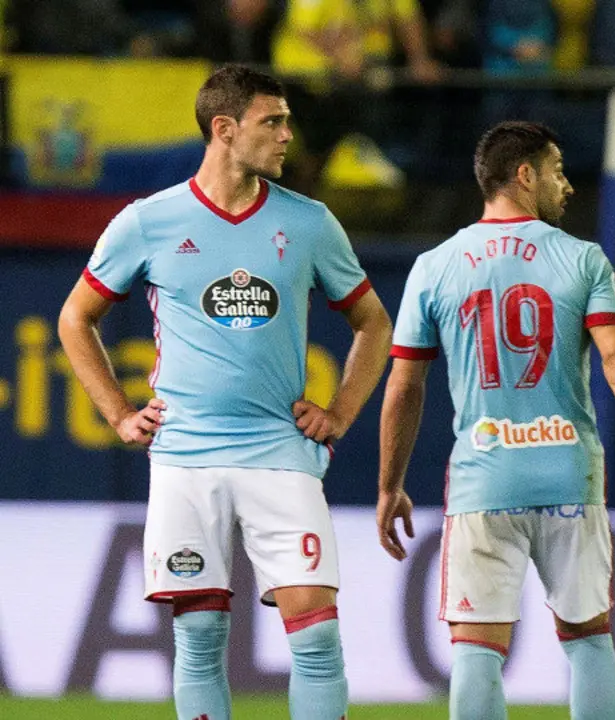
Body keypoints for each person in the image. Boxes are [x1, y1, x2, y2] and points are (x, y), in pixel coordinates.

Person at [57, 65, 393, 720]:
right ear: (225, 129)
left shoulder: (310, 223)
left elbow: (373, 322)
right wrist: (118, 413)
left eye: (287, 121)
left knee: (318, 634)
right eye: (274, 121)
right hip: (186, 457)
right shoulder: (147, 222)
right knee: (200, 636)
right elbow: (75, 318)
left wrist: (343, 409)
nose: (287, 135)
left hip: (282, 453)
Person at [376, 121, 615, 720]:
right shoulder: (582, 259)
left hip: (484, 481)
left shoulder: (435, 266)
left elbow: (406, 384)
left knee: (476, 650)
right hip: (567, 473)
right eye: (557, 170)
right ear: (524, 175)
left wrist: (391, 484)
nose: (566, 186)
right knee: (589, 638)